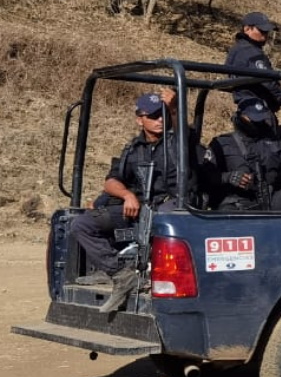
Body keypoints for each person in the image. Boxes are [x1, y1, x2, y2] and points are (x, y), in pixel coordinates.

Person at [72, 91, 195, 312]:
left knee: (166, 221)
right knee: (82, 224)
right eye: (154, 116)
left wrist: (175, 110)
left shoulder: (177, 141)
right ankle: (122, 274)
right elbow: (111, 180)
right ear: (140, 119)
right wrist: (127, 195)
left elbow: (186, 137)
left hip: (170, 206)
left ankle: (154, 276)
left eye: (164, 115)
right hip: (138, 208)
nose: (160, 120)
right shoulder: (133, 148)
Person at [211, 98, 281, 211]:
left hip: (269, 199)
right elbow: (206, 176)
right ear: (241, 116)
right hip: (238, 204)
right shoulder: (223, 143)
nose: (258, 123)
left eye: (260, 119)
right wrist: (228, 177)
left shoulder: (271, 140)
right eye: (253, 119)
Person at [225, 11, 281, 111]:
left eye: (267, 32)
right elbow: (269, 83)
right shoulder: (250, 52)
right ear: (247, 29)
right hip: (258, 111)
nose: (265, 35)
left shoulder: (237, 49)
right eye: (262, 30)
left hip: (250, 108)